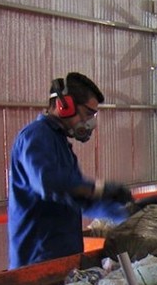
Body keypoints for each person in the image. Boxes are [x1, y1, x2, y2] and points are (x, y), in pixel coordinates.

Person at [8, 72, 133, 269]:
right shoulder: (35, 136)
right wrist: (99, 189)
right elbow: (48, 184)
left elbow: (79, 200)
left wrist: (126, 215)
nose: (91, 122)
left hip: (63, 257)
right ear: (64, 105)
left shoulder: (60, 143)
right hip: (37, 260)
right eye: (88, 113)